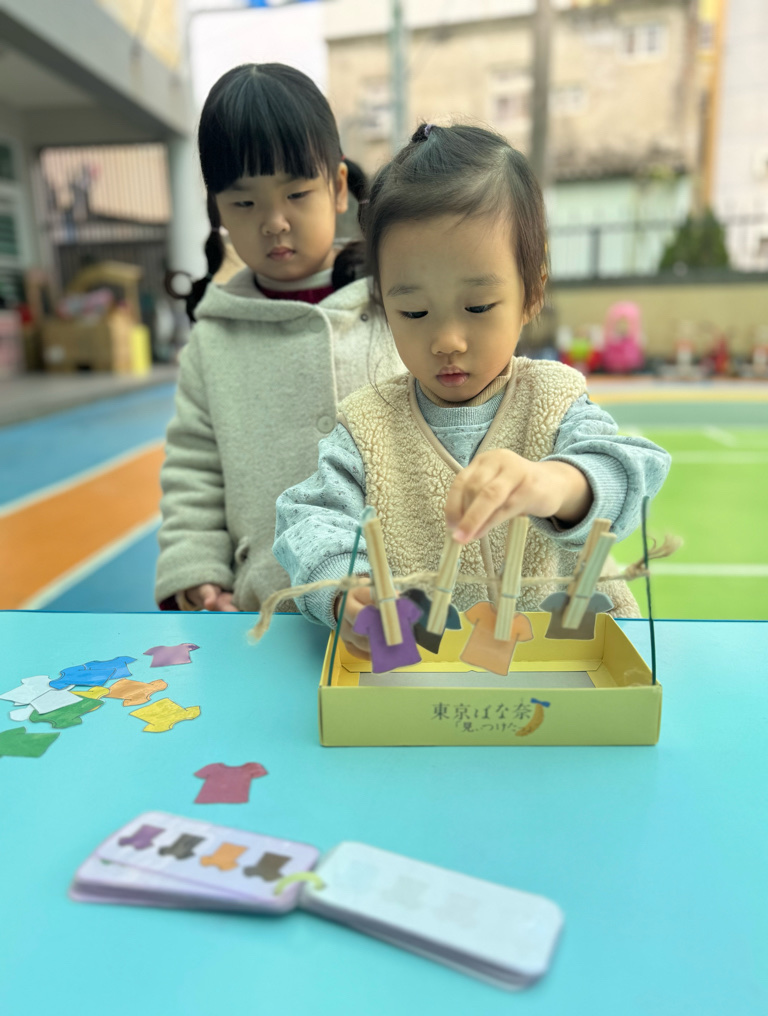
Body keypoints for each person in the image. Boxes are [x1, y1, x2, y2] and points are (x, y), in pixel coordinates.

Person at [273, 123, 671, 657]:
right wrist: (348, 590)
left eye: (478, 306)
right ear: (384, 304)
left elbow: (630, 470)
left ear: (532, 292)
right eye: (414, 311)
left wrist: (552, 483)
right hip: (422, 678)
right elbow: (308, 519)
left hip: (564, 672)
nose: (447, 341)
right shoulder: (367, 425)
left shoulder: (554, 399)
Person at [155, 64, 401, 612]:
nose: (273, 222)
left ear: (338, 188)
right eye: (244, 203)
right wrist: (196, 570)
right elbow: (194, 469)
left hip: (398, 601)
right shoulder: (214, 340)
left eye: (296, 193)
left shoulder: (398, 305)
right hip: (270, 604)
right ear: (217, 209)